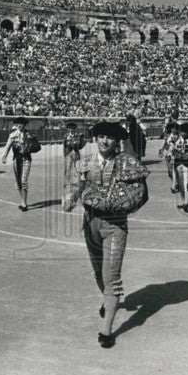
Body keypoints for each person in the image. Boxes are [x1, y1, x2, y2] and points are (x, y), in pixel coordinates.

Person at [62, 121, 149, 349]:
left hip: (115, 226)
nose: (104, 141)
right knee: (98, 271)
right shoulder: (86, 162)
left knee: (111, 277)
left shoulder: (127, 163)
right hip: (90, 222)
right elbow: (76, 185)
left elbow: (140, 194)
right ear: (95, 138)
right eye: (100, 136)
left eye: (109, 138)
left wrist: (119, 204)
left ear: (117, 141)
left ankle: (107, 329)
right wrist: (70, 198)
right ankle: (109, 300)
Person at [2, 116, 39, 210]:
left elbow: (38, 147)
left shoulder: (29, 135)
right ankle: (22, 200)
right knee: (18, 182)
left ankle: (24, 203)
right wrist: (4, 156)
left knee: (23, 181)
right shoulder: (12, 135)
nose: (19, 125)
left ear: (24, 125)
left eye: (21, 124)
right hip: (16, 160)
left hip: (26, 159)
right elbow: (7, 146)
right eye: (17, 124)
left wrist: (28, 150)